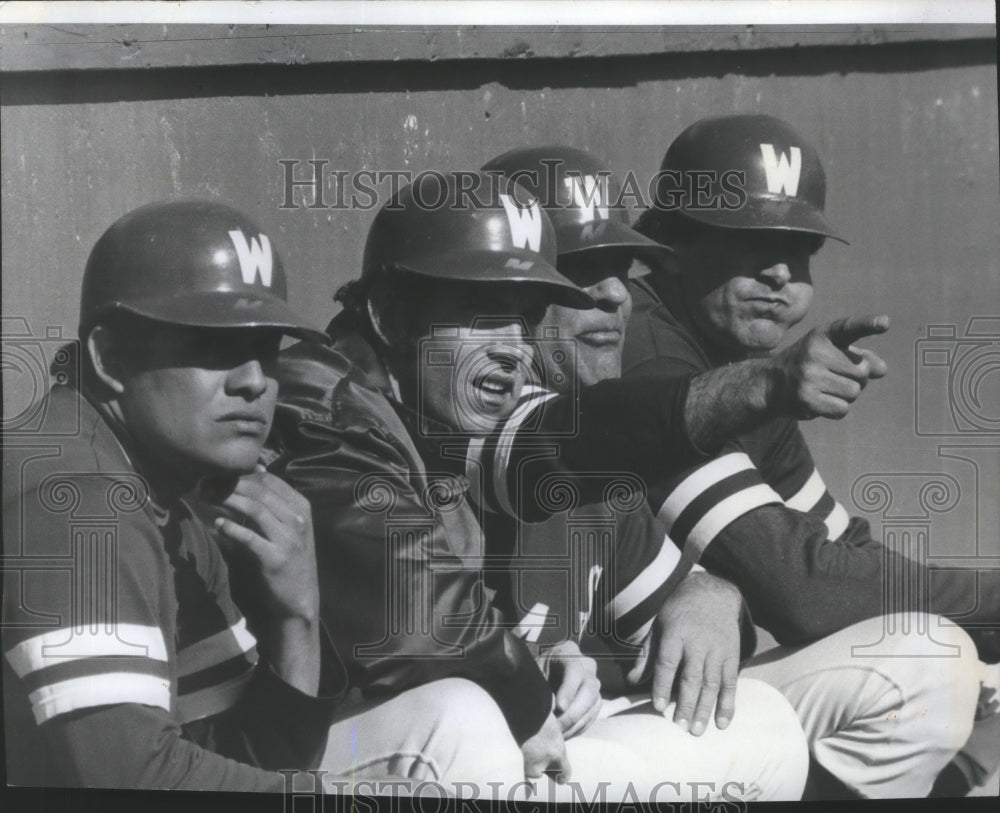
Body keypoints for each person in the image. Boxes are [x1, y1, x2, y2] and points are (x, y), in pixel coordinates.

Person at [270, 170, 810, 802]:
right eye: (484, 317)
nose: (512, 351)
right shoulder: (323, 411)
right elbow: (415, 621)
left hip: (425, 738)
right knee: (468, 725)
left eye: (525, 321)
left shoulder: (431, 407)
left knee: (763, 723)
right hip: (283, 758)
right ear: (391, 316)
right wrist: (524, 685)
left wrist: (694, 593)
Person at [622, 113, 997, 797]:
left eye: (800, 252)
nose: (780, 273)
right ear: (670, 242)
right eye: (751, 243)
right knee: (930, 660)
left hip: (688, 696)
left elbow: (843, 552)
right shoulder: (643, 349)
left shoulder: (738, 362)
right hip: (587, 711)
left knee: (981, 675)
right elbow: (805, 590)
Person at [1, 200, 345, 790]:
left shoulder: (167, 492)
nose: (254, 381)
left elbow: (240, 754)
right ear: (110, 358)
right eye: (214, 345)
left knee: (445, 716)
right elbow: (124, 779)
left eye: (264, 348)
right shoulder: (80, 501)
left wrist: (297, 617)